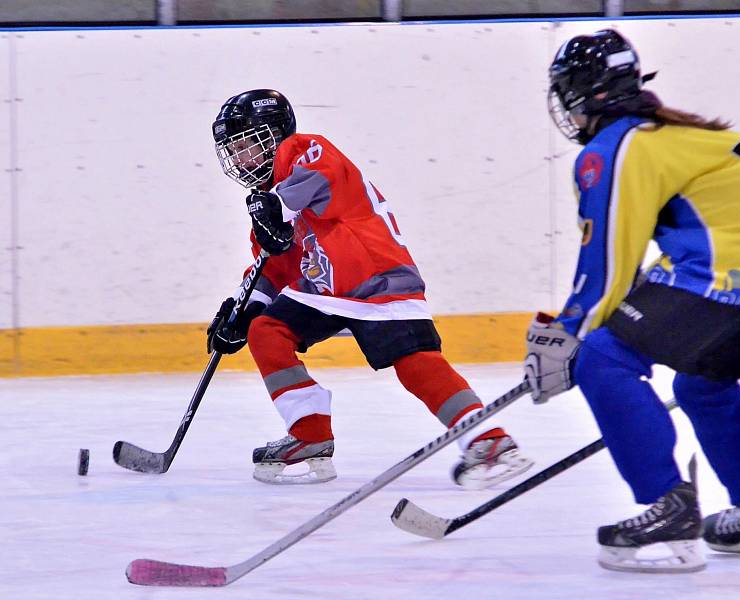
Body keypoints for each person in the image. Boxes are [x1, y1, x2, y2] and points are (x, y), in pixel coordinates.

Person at [524, 29, 740, 573]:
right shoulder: (673, 133)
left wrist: (568, 334)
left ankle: (666, 507)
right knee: (702, 383)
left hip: (723, 277)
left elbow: (605, 263)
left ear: (583, 94)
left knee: (601, 361)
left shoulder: (615, 149)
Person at [206, 88, 532, 488]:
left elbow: (317, 179)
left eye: (247, 146)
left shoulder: (305, 149)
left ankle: (489, 440)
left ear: (274, 135)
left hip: (376, 278)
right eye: (233, 152)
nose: (240, 160)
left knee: (417, 366)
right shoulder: (267, 205)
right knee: (266, 330)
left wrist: (276, 206)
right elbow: (275, 266)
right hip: (324, 289)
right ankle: (309, 434)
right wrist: (244, 308)